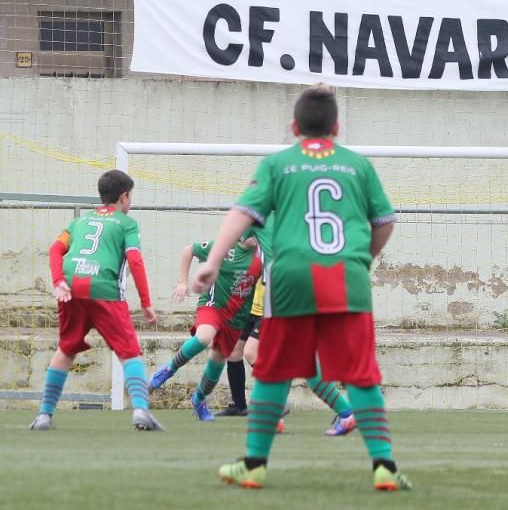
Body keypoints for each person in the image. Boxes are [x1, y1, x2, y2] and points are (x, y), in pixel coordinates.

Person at [192, 84, 410, 491]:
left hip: (290, 278)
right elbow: (385, 222)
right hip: (348, 279)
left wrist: (213, 260)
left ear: (294, 126)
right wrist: (366, 258)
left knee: (273, 373)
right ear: (337, 127)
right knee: (361, 376)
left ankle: (255, 465)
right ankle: (384, 467)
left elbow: (242, 213)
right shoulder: (357, 166)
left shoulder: (277, 165)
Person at [30, 169, 163, 431]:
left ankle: (45, 415)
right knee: (130, 351)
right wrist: (146, 302)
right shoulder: (127, 224)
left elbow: (55, 249)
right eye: (131, 196)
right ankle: (140, 410)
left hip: (70, 288)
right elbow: (135, 260)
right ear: (124, 197)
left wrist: (58, 281)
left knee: (66, 348)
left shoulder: (80, 222)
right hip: (104, 290)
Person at [219, 223, 356, 436]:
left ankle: (344, 412)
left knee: (272, 357)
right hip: (294, 293)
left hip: (285, 295)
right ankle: (278, 416)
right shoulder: (293, 215)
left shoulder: (261, 216)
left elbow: (237, 235)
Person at [148, 232, 261, 421]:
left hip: (237, 318)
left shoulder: (262, 256)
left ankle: (199, 399)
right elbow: (188, 250)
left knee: (217, 361)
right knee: (204, 336)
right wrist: (183, 282)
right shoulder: (223, 246)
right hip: (212, 305)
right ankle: (168, 370)